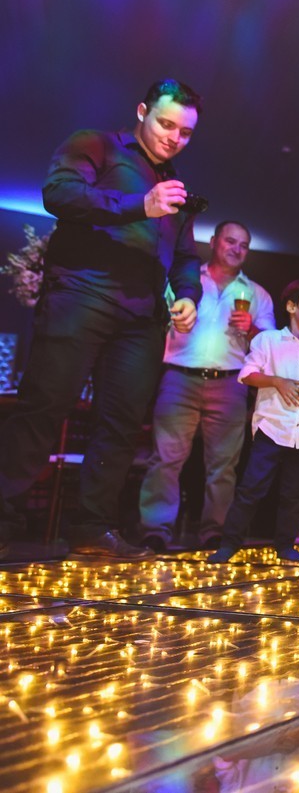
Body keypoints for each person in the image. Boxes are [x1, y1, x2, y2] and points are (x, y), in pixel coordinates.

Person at [0, 79, 203, 560]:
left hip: (140, 321)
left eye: (186, 132)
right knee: (43, 407)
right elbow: (60, 194)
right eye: (166, 123)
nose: (174, 137)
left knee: (120, 424)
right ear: (141, 112)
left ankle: (90, 528)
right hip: (81, 296)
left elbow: (187, 257)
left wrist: (190, 295)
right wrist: (140, 205)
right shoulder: (96, 144)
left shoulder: (173, 186)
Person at [135, 221, 275, 551]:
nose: (237, 249)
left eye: (244, 245)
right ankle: (156, 529)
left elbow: (270, 347)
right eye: (230, 241)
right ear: (213, 242)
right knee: (165, 458)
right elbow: (157, 318)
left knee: (224, 465)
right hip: (179, 377)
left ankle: (216, 532)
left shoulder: (256, 294)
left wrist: (252, 328)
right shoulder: (186, 282)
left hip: (230, 384)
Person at [207, 281, 299, 564]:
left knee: (295, 493)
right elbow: (248, 373)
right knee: (251, 489)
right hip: (272, 428)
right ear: (291, 307)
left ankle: (285, 546)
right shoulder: (267, 341)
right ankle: (229, 544)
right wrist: (277, 381)